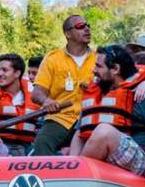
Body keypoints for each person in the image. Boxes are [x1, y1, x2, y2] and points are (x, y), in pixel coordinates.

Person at [69, 45, 145, 187]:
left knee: (104, 132)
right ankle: (74, 179)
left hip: (141, 157)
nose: (94, 70)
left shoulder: (142, 94)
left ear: (115, 69)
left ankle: (77, 182)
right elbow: (79, 133)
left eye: (99, 66)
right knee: (71, 149)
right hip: (104, 154)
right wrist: (71, 163)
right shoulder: (95, 94)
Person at [30, 15, 96, 155]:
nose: (87, 29)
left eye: (87, 25)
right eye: (80, 26)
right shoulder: (52, 59)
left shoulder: (99, 59)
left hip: (91, 117)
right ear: (68, 34)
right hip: (60, 118)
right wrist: (46, 101)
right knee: (42, 141)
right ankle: (46, 176)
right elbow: (37, 93)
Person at [0, 53, 39, 156]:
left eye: (4, 70)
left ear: (17, 73)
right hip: (1, 144)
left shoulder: (34, 94)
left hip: (28, 145)